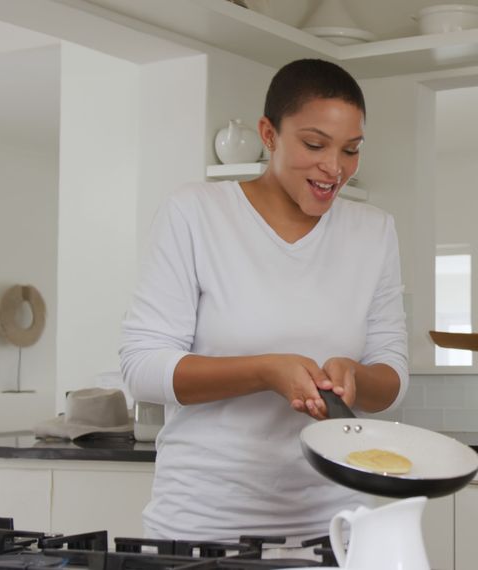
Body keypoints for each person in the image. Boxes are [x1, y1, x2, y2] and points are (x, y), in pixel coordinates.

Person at [119, 59, 408, 546]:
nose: (334, 168)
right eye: (314, 144)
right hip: (203, 526)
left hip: (335, 526)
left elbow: (393, 374)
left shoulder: (373, 231)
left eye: (351, 150)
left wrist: (358, 377)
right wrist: (264, 371)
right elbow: (142, 366)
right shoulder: (195, 213)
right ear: (268, 134)